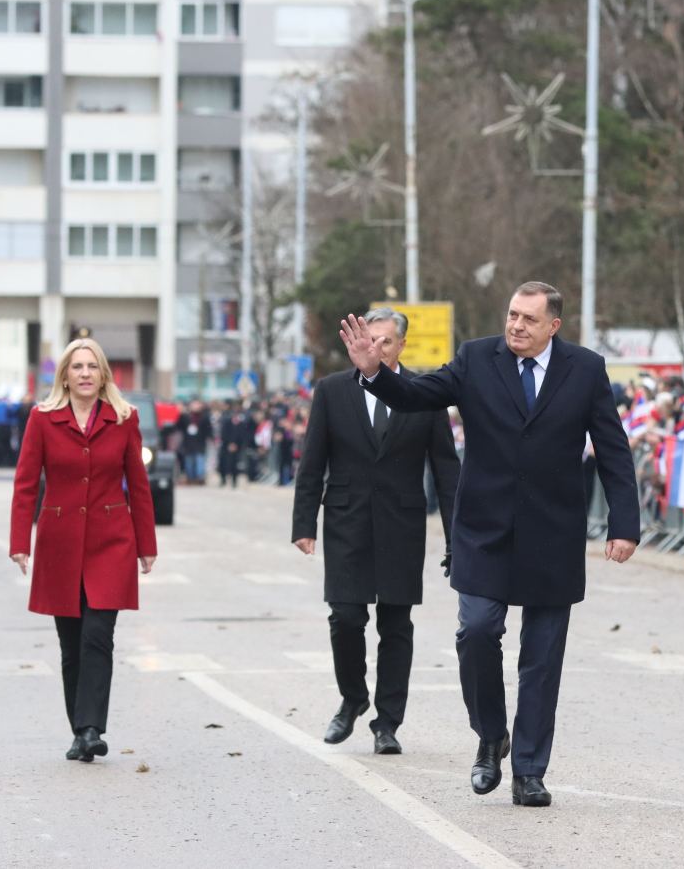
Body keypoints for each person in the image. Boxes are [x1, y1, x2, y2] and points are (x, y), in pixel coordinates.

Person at [339, 281, 640, 809]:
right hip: (483, 530)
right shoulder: (477, 358)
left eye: (529, 318)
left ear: (554, 326)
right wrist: (374, 373)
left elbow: (612, 448)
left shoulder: (586, 369)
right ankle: (490, 736)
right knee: (476, 632)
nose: (516, 325)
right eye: (512, 315)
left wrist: (625, 523)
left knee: (541, 660)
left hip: (553, 535)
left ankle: (529, 771)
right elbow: (416, 396)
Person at [293, 307, 461, 754]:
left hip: (401, 524)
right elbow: (313, 460)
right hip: (346, 520)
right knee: (346, 617)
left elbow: (446, 470)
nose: (378, 348)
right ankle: (352, 698)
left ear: (402, 345)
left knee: (396, 624)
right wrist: (304, 523)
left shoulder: (424, 393)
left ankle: (387, 722)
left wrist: (456, 537)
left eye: (387, 341)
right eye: (372, 340)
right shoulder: (332, 391)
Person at [9, 338, 157, 763]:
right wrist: (20, 543)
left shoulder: (124, 419)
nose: (86, 373)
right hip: (60, 542)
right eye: (77, 367)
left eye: (92, 366)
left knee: (97, 635)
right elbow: (25, 483)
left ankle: (92, 728)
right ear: (65, 376)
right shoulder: (42, 419)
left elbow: (138, 485)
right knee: (71, 643)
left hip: (111, 540)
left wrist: (146, 545)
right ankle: (79, 731)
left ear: (103, 373)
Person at [218, 401, 253, 488]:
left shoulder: (242, 424)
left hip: (237, 448)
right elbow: (223, 434)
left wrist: (236, 445)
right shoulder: (227, 423)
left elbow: (243, 436)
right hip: (226, 447)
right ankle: (223, 480)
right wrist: (229, 444)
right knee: (224, 464)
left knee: (235, 465)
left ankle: (234, 481)